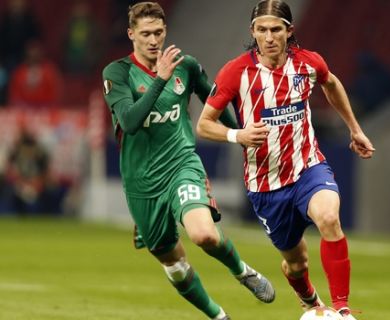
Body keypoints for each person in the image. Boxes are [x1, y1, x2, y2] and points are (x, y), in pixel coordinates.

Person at [196, 1, 375, 319]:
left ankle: (342, 309)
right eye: (262, 30)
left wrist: (355, 129)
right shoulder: (236, 72)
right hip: (266, 186)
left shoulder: (308, 64)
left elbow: (330, 83)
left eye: (276, 29)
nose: (268, 37)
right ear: (252, 31)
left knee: (329, 218)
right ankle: (308, 298)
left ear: (289, 31)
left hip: (308, 167)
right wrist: (238, 135)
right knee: (296, 263)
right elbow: (204, 124)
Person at [101, 2, 275, 320]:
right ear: (131, 34)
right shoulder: (117, 73)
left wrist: (239, 135)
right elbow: (129, 120)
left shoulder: (187, 66)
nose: (153, 40)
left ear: (165, 31)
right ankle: (218, 316)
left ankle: (242, 271)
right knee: (174, 263)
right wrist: (159, 80)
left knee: (204, 235)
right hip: (142, 183)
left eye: (158, 32)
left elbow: (215, 101)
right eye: (145, 34)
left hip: (182, 166)